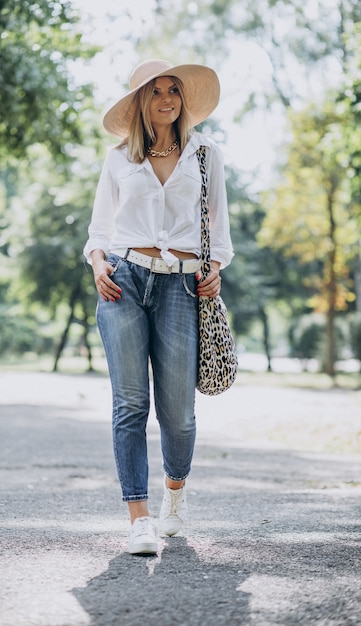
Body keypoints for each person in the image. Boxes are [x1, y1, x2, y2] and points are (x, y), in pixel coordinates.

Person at [83, 59, 234, 555]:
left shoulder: (206, 154)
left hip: (182, 288)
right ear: (141, 102)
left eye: (174, 90)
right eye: (156, 91)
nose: (167, 98)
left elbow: (220, 229)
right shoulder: (118, 159)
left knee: (179, 414)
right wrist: (97, 264)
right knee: (130, 405)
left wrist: (214, 268)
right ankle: (138, 519)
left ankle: (174, 494)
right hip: (123, 282)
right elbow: (100, 231)